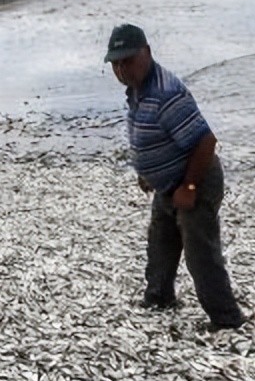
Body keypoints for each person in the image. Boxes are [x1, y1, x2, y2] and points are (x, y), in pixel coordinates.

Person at [104, 23, 245, 330]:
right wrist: (146, 172)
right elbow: (150, 135)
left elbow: (206, 142)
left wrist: (190, 187)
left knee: (200, 254)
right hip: (168, 185)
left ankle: (227, 319)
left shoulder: (166, 93)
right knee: (161, 243)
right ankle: (159, 298)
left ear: (147, 53)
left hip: (195, 180)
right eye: (116, 63)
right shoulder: (140, 89)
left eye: (127, 59)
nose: (121, 68)